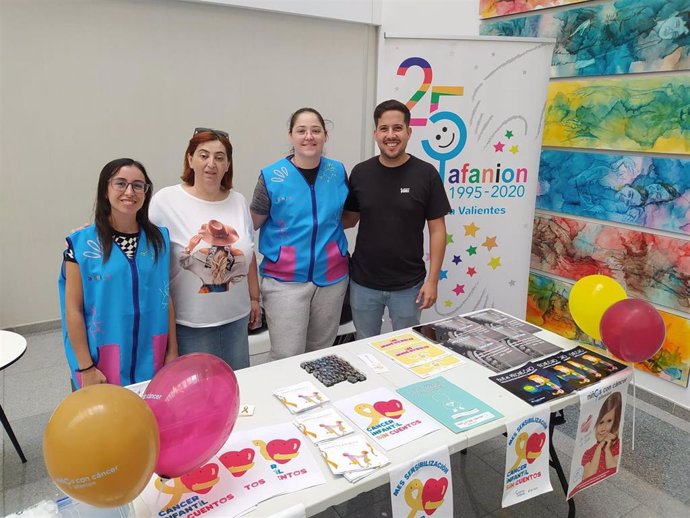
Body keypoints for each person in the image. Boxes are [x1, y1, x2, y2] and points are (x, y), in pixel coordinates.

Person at [59, 158, 177, 388]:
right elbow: (72, 309)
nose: (129, 192)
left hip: (151, 354)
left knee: (149, 419)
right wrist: (86, 367)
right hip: (102, 359)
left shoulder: (159, 240)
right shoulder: (81, 244)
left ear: (146, 192)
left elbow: (166, 296)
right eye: (120, 183)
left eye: (138, 185)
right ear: (105, 189)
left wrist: (172, 351)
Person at [150, 128, 260, 370]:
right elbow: (137, 239)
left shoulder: (238, 201)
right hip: (190, 323)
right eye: (203, 155)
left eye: (220, 157)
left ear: (228, 164)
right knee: (198, 394)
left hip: (235, 318)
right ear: (190, 159)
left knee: (238, 387)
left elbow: (249, 253)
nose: (211, 164)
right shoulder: (165, 201)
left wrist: (254, 298)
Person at [343, 99, 450, 339]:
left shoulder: (426, 174)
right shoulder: (360, 173)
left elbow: (437, 230)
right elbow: (349, 219)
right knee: (364, 346)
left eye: (397, 128)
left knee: (406, 348)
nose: (391, 135)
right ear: (375, 134)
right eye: (384, 129)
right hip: (363, 284)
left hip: (409, 286)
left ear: (409, 132)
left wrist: (432, 281)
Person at [251, 108, 349, 360]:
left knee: (321, 355)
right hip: (285, 281)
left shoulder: (337, 172)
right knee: (287, 357)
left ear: (325, 136)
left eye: (316, 130)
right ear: (291, 136)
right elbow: (252, 223)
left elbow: (344, 217)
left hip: (332, 278)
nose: (309, 136)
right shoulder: (272, 177)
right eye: (302, 131)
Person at [580, 391, 622, 482]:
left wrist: (607, 449)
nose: (604, 428)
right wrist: (599, 448)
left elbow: (612, 469)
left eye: (609, 421)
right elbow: (587, 478)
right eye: (601, 422)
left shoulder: (615, 444)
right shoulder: (588, 453)